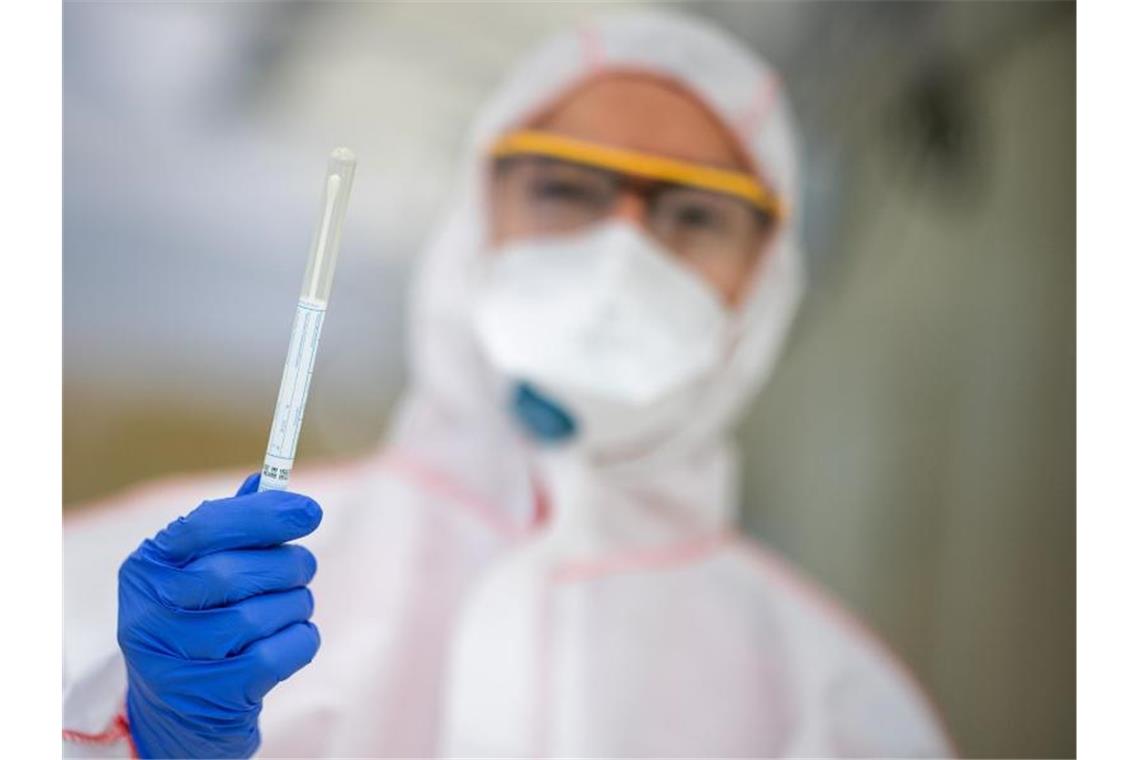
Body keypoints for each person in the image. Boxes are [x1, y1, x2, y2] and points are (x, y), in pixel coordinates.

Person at [63, 10, 955, 758]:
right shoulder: (129, 580)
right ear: (470, 225)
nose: (621, 254)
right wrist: (141, 737)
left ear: (767, 280)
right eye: (567, 190)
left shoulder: (840, 704)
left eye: (693, 214)